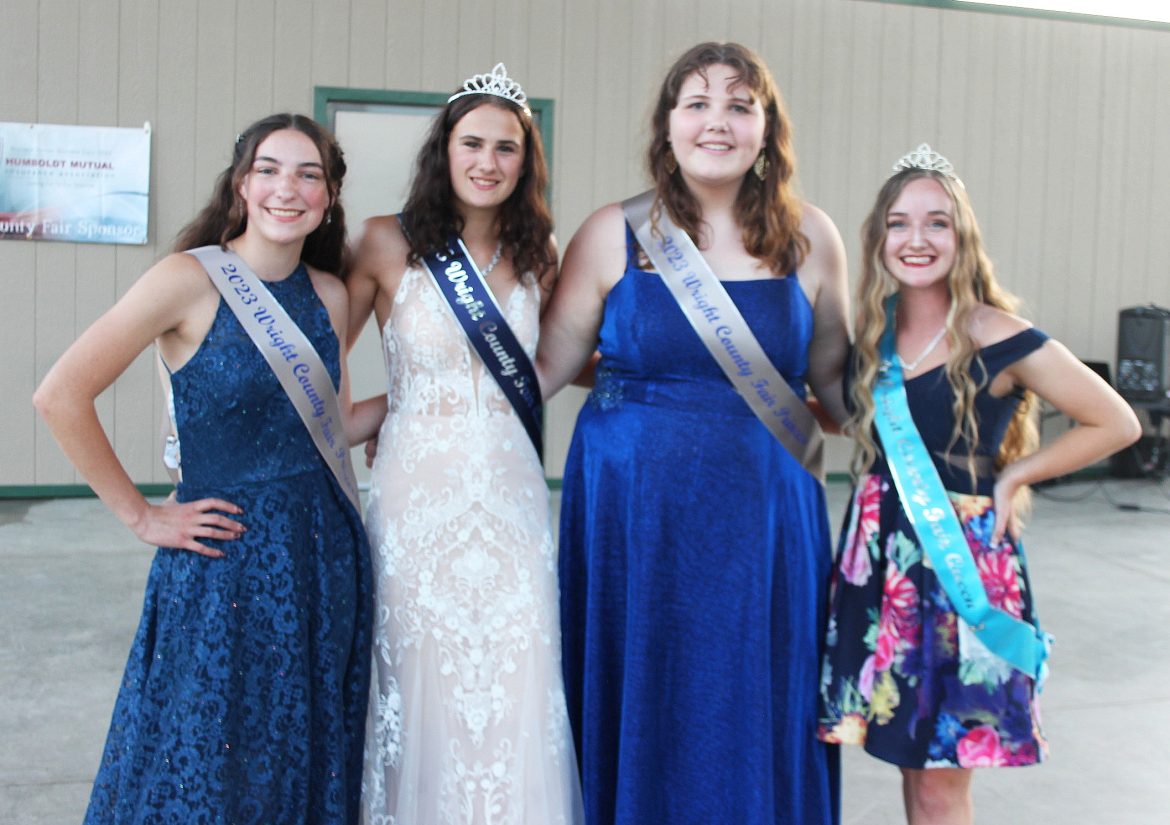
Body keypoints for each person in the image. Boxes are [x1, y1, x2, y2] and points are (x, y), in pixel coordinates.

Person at [33, 113, 385, 823]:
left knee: (299, 747)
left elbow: (336, 425)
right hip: (223, 559)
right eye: (270, 169)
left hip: (320, 555)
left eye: (308, 173)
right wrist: (141, 514)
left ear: (329, 193)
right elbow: (60, 393)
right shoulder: (186, 280)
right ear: (242, 184)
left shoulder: (329, 292)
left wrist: (433, 401)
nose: (288, 188)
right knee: (207, 747)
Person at [536, 42, 850, 825]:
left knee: (754, 687)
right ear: (667, 125)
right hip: (635, 515)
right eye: (699, 103)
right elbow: (544, 369)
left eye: (741, 106)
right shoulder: (613, 232)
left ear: (766, 129)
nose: (719, 122)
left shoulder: (812, 238)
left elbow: (839, 394)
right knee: (646, 685)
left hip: (764, 521)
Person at [816, 144, 1142, 825]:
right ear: (878, 240)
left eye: (937, 222)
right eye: (899, 223)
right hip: (881, 563)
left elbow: (1114, 421)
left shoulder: (995, 333)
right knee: (909, 756)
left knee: (942, 776)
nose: (917, 238)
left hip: (959, 564)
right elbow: (843, 418)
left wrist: (1019, 473)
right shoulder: (873, 338)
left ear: (962, 236)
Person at [346, 63, 583, 824]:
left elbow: (559, 359)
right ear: (444, 149)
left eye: (506, 148)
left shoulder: (541, 249)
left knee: (513, 675)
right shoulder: (386, 242)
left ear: (526, 161)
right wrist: (393, 407)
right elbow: (312, 368)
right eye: (472, 143)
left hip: (510, 496)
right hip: (417, 497)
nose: (488, 162)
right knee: (419, 674)